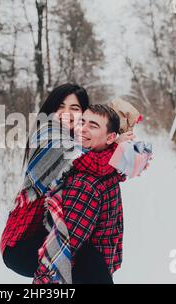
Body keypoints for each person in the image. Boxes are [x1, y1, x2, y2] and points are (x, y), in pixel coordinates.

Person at [33, 104, 126, 284]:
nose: (83, 129)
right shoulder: (109, 166)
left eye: (93, 125)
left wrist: (42, 281)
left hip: (81, 274)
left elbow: (64, 245)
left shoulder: (85, 183)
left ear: (111, 138)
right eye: (82, 122)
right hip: (100, 269)